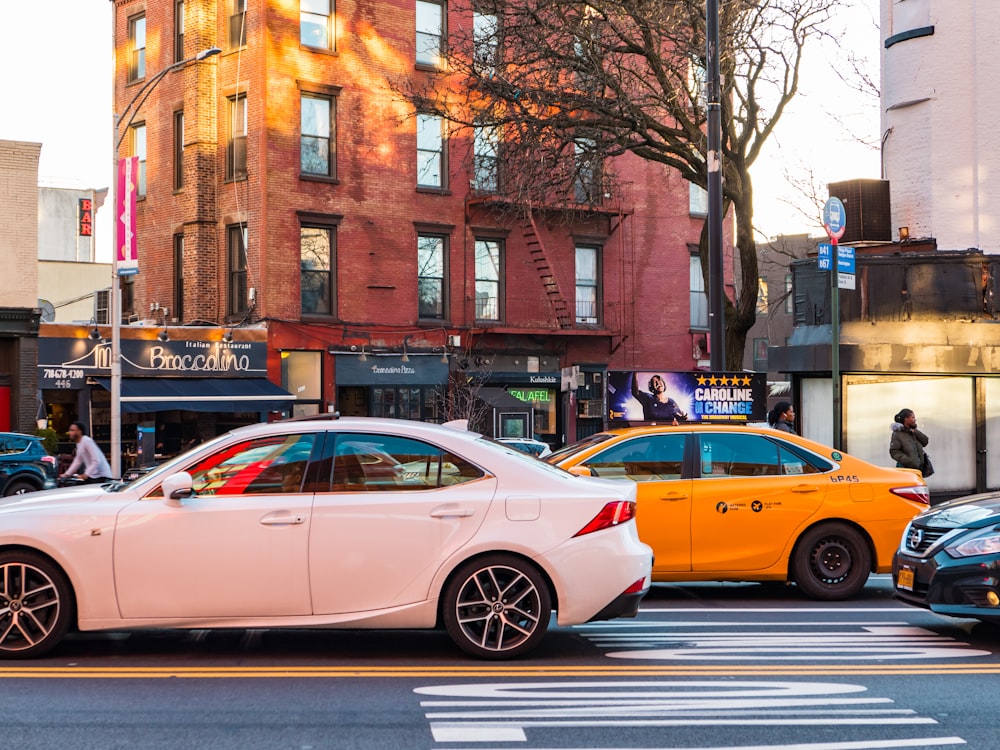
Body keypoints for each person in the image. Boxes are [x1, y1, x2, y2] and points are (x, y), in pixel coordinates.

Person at [889, 408, 929, 473]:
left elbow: (925, 442)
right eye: (912, 417)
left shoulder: (914, 431)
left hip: (918, 470)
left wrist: (915, 432)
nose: (915, 420)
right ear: (906, 419)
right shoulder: (897, 434)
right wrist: (909, 461)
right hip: (905, 470)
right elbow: (894, 452)